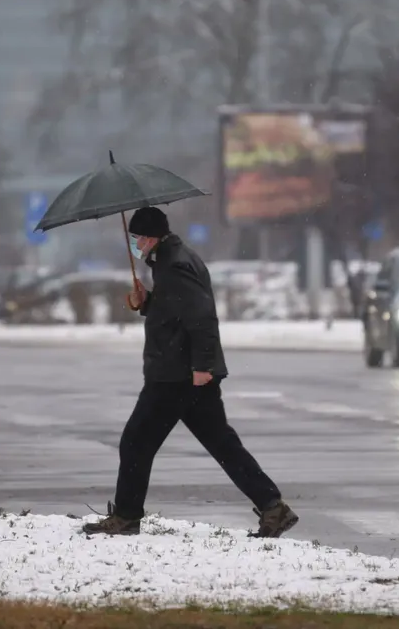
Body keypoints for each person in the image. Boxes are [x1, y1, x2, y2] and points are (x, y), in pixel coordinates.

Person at [83, 206, 298, 538]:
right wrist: (148, 301)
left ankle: (126, 517)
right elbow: (177, 312)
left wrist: (203, 367)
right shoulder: (173, 261)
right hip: (183, 373)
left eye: (137, 238)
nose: (135, 244)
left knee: (136, 443)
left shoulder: (175, 265)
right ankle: (273, 507)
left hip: (177, 376)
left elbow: (201, 318)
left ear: (151, 236)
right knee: (223, 445)